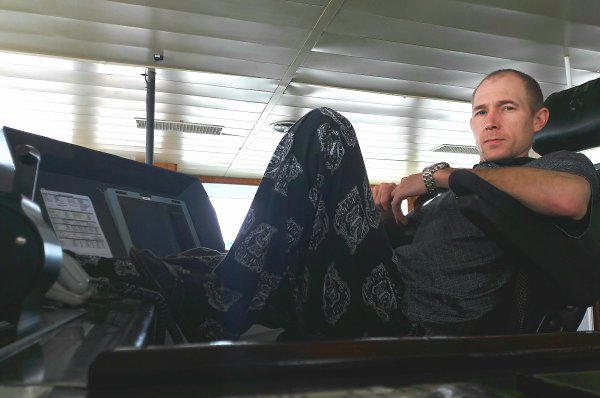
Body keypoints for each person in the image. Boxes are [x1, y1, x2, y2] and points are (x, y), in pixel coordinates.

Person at [81, 69, 598, 341]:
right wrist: (384, 219)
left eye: (507, 108)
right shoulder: (471, 186)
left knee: (326, 131)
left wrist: (439, 177)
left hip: (405, 315)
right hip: (378, 286)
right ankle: (84, 271)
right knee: (194, 262)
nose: (491, 121)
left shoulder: (560, 165)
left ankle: (221, 306)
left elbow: (570, 199)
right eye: (481, 111)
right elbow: (417, 248)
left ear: (538, 120)